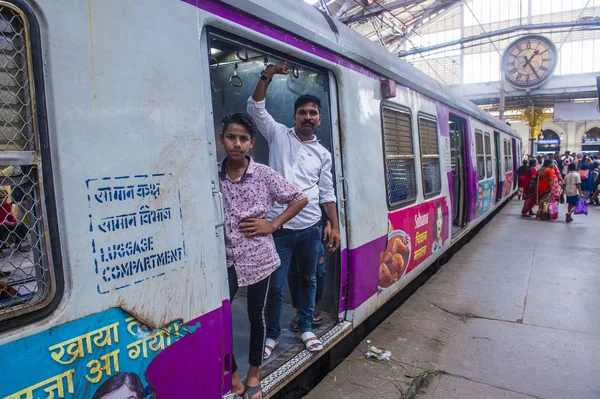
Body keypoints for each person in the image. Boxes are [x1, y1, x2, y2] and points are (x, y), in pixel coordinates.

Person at [248, 63, 340, 357]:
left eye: (313, 113)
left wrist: (334, 225)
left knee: (309, 280)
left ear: (319, 119)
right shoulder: (277, 135)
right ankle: (272, 335)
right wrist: (268, 74)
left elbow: (327, 192)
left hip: (311, 228)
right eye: (303, 113)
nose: (308, 117)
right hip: (278, 229)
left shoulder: (323, 154)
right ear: (295, 116)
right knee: (275, 287)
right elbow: (255, 107)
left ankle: (305, 327)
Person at [218, 113, 308, 399]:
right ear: (222, 141)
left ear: (252, 144)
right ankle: (233, 377)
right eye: (231, 137)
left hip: (259, 258)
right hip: (225, 261)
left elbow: (299, 198)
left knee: (255, 316)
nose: (237, 143)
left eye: (243, 139)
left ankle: (253, 374)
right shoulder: (212, 176)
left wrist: (273, 224)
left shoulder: (264, 175)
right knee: (220, 321)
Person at [0, 189, 28, 255]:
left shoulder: (6, 205)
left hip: (5, 224)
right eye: (0, 198)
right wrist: (8, 223)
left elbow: (10, 216)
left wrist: (15, 222)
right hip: (2, 225)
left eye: (4, 197)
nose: (2, 199)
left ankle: (17, 246)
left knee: (21, 225)